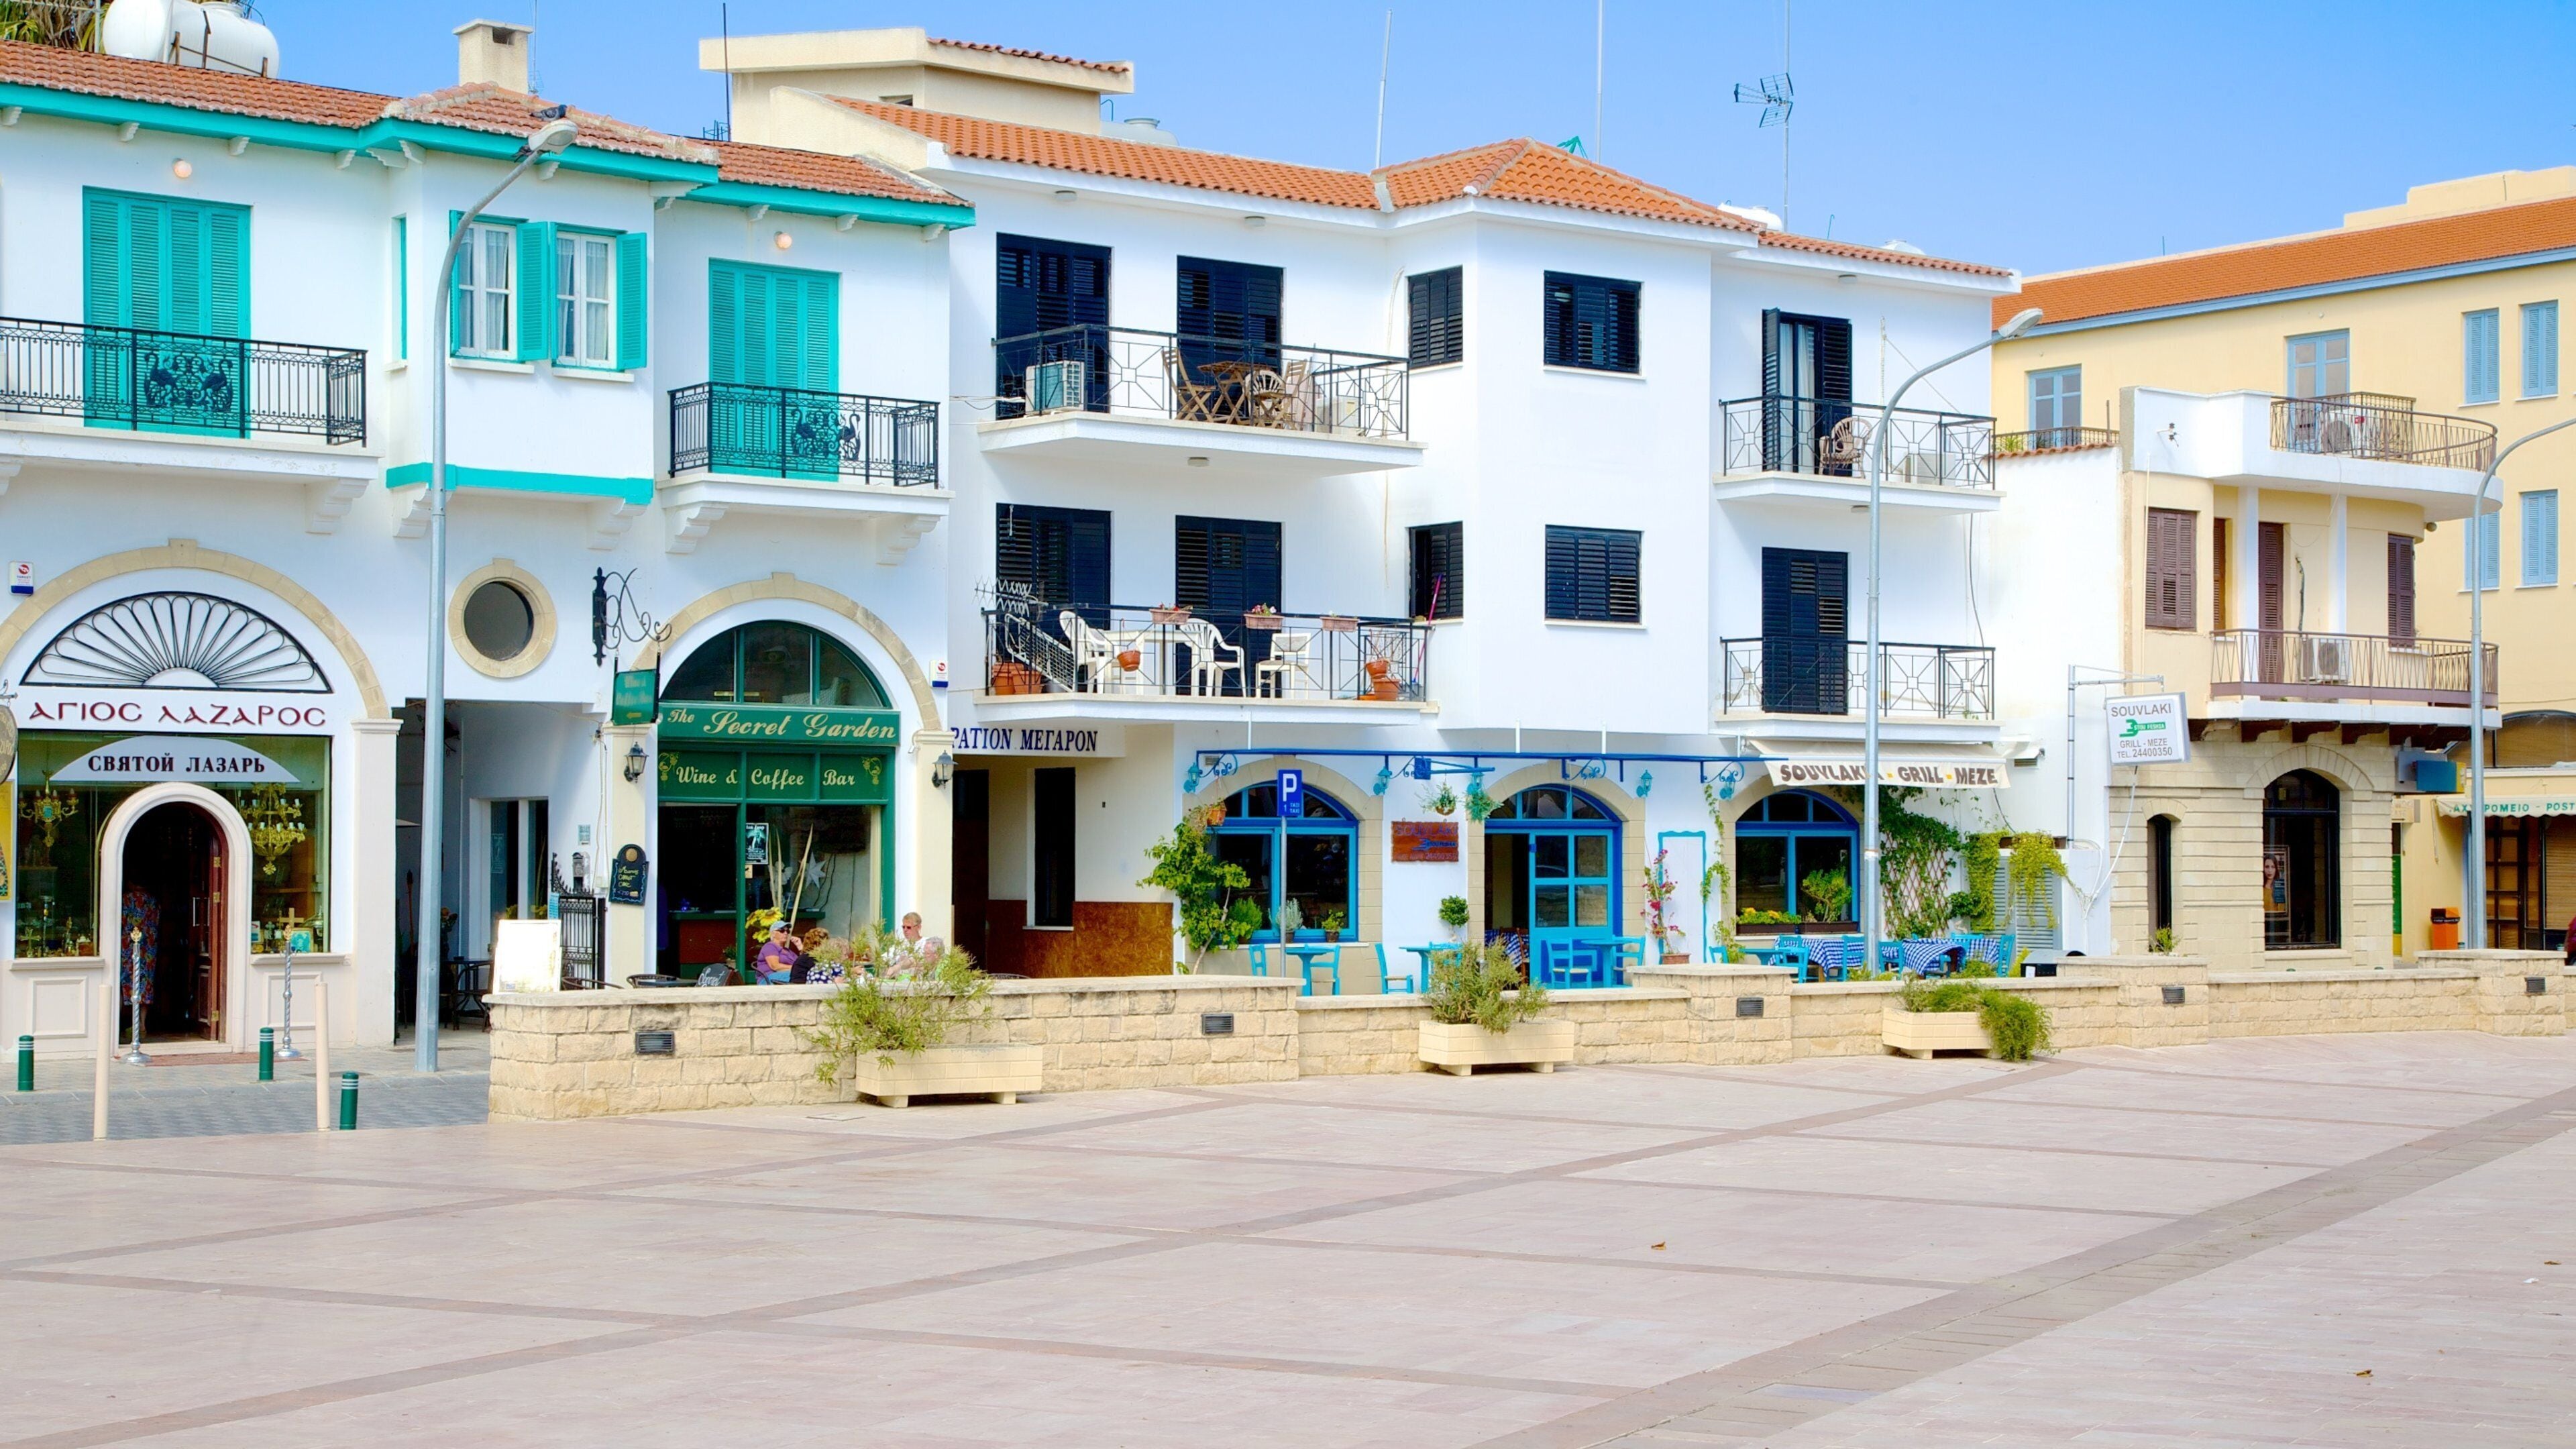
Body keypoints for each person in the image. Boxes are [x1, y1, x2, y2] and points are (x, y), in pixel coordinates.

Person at [753, 920, 802, 984]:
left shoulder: (788, 951)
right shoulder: (770, 946)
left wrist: (800, 947)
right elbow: (775, 966)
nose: (786, 933)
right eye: (782, 930)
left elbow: (803, 964)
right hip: (769, 978)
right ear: (773, 934)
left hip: (784, 976)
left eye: (788, 931)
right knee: (803, 976)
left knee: (806, 975)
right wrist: (797, 969)